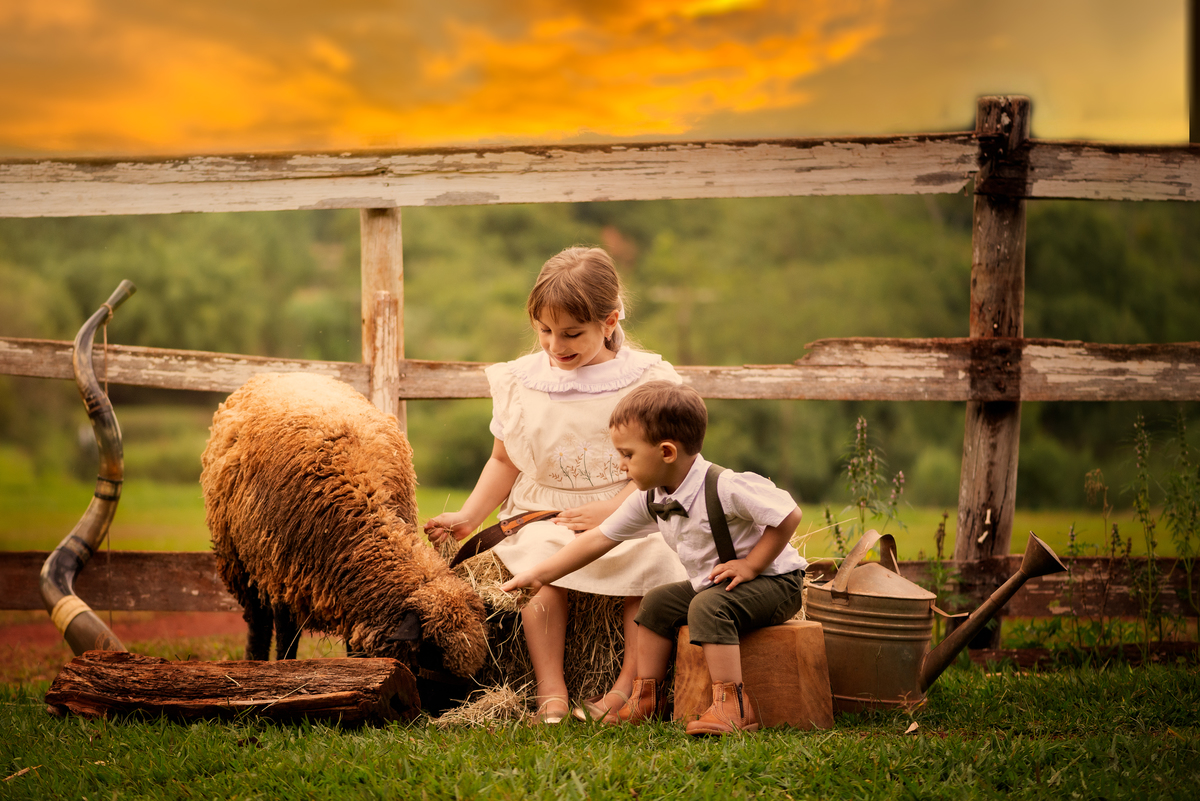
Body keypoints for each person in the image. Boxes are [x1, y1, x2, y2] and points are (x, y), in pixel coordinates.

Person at [424, 246, 688, 724]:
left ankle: (627, 689)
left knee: (651, 563)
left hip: (632, 506)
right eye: (544, 331)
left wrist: (614, 509)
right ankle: (551, 689)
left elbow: (665, 469)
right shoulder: (523, 381)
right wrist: (469, 516)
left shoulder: (647, 380)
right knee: (543, 567)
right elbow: (504, 459)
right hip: (544, 510)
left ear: (609, 322)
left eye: (571, 334)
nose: (554, 346)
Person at [500, 380, 806, 735]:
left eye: (628, 455)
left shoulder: (725, 486)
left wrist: (752, 564)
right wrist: (539, 574)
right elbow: (600, 538)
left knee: (707, 606)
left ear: (666, 453)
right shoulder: (652, 496)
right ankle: (645, 699)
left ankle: (733, 707)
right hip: (719, 584)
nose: (621, 466)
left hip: (774, 584)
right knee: (658, 602)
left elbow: (789, 514)